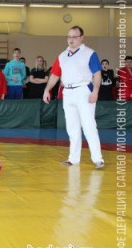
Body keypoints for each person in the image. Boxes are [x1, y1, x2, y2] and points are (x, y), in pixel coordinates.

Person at [42, 25, 104, 169]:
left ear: (81, 38)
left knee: (89, 125)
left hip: (84, 90)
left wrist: (95, 91)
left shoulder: (89, 53)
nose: (71, 40)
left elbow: (97, 74)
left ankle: (98, 159)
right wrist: (47, 90)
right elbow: (55, 75)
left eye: (74, 37)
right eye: (69, 37)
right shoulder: (62, 56)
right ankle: (73, 159)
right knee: (72, 127)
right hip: (67, 92)